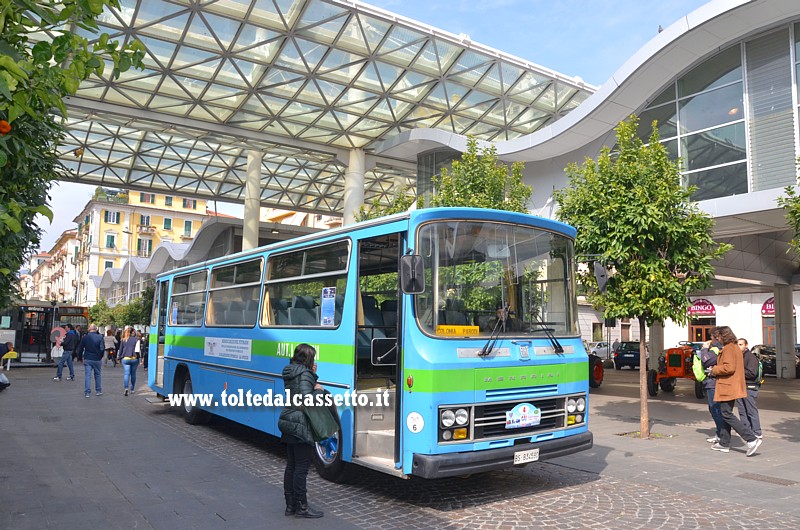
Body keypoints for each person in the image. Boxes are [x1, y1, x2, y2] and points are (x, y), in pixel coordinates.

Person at [277, 343, 324, 519]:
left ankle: (290, 506)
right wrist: (318, 391)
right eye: (313, 357)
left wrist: (313, 374)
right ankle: (302, 507)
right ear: (308, 359)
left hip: (288, 420)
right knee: (301, 468)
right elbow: (307, 399)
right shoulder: (304, 374)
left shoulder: (290, 371)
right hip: (300, 425)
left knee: (291, 466)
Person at [708, 326, 762, 456]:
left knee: (726, 414)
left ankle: (751, 438)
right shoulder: (733, 347)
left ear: (723, 336)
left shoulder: (729, 349)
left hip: (728, 386)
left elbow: (729, 367)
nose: (717, 339)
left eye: (718, 337)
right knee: (725, 412)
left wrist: (714, 370)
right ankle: (724, 443)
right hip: (731, 385)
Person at [700, 328, 725, 444]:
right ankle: (720, 433)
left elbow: (705, 361)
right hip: (713, 382)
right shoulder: (718, 348)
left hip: (714, 383)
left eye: (712, 337)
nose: (710, 339)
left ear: (717, 337)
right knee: (715, 409)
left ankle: (722, 435)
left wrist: (704, 349)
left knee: (716, 409)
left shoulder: (717, 349)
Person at [736, 338, 762, 440]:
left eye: (741, 344)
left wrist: (738, 372)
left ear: (746, 345)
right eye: (737, 344)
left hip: (749, 386)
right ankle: (746, 430)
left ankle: (757, 432)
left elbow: (752, 373)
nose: (739, 346)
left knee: (751, 410)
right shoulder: (740, 357)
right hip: (740, 386)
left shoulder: (751, 357)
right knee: (742, 410)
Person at [75, 323, 105, 398]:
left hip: (88, 358)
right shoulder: (100, 337)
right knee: (97, 375)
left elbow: (80, 348)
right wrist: (100, 356)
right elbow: (102, 349)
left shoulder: (85, 337)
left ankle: (87, 392)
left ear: (89, 329)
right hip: (97, 359)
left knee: (87, 375)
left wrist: (79, 358)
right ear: (96, 329)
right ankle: (98, 390)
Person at [118, 326, 140, 396]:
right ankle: (132, 389)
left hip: (126, 359)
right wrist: (141, 358)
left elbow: (120, 349)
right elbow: (138, 350)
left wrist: (119, 358)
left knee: (126, 374)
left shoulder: (123, 340)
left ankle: (126, 388)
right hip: (134, 359)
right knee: (133, 374)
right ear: (133, 332)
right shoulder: (136, 340)